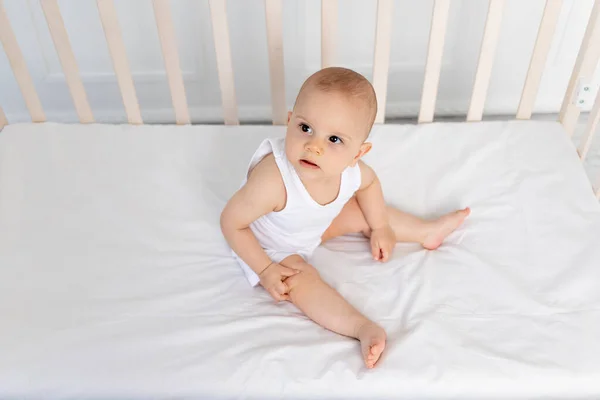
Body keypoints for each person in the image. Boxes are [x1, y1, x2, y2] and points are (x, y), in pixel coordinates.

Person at [220, 67, 470, 368]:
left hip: (309, 228)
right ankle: (360, 327)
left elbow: (370, 184)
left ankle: (426, 232)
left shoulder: (352, 173)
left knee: (361, 211)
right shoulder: (272, 180)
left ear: (357, 154)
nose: (314, 146)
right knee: (300, 279)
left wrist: (380, 227)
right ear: (289, 122)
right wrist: (264, 269)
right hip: (270, 245)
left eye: (335, 139)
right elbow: (231, 222)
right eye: (305, 128)